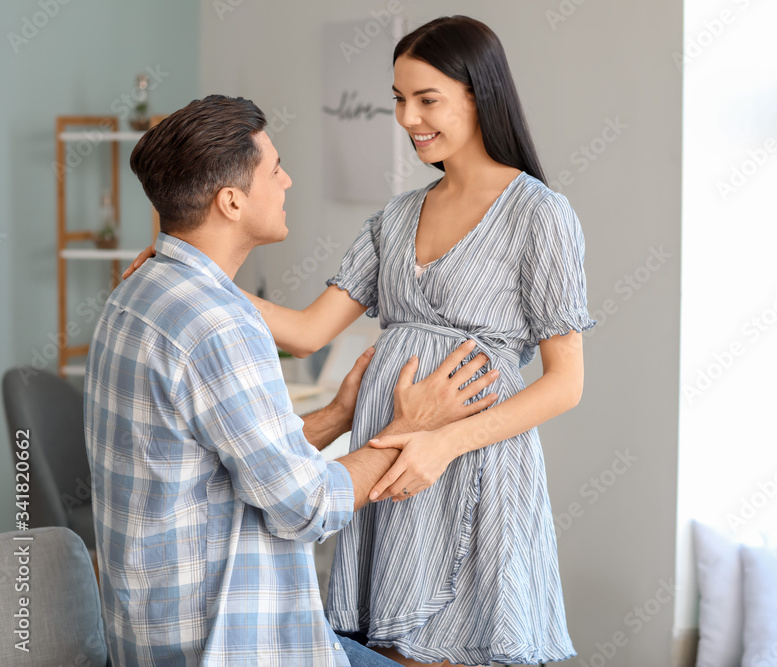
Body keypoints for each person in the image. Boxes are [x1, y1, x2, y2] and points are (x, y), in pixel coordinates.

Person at [124, 16, 592, 665]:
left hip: (472, 464)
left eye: (427, 99)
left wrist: (443, 440)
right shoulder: (397, 216)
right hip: (389, 454)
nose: (408, 117)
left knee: (460, 647)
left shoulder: (540, 214)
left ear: (478, 95)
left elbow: (566, 382)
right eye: (399, 99)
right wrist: (190, 272)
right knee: (392, 648)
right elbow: (308, 328)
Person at [88, 94, 499, 666]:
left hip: (148, 639)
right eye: (274, 169)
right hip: (230, 649)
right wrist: (413, 425)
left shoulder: (136, 293)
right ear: (231, 201)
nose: (288, 180)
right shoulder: (221, 327)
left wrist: (337, 415)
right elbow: (306, 507)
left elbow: (225, 468)